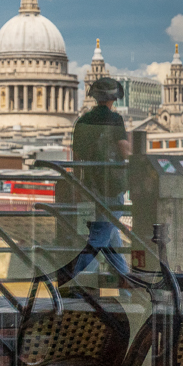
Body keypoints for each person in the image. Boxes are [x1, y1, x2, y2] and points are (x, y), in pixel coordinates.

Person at [72, 77, 131, 276]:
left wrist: (78, 186)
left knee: (112, 241)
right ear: (114, 98)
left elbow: (76, 157)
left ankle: (127, 287)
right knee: (99, 236)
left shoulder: (82, 121)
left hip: (89, 185)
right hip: (110, 185)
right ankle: (76, 280)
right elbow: (124, 149)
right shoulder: (115, 119)